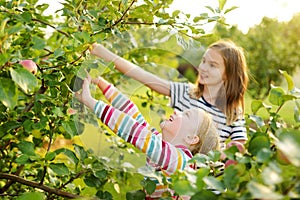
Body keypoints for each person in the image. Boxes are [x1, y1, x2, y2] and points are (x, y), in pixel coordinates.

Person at [76, 73, 220, 198]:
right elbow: (132, 115)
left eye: (186, 114)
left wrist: (90, 101)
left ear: (191, 138)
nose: (177, 111)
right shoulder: (161, 146)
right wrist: (103, 84)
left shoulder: (181, 161)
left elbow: (133, 130)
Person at [89, 39, 249, 149]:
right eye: (203, 61)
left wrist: (234, 150)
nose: (203, 68)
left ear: (228, 74)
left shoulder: (233, 113)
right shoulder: (185, 93)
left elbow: (238, 148)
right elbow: (143, 75)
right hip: (167, 175)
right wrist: (105, 54)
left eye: (212, 65)